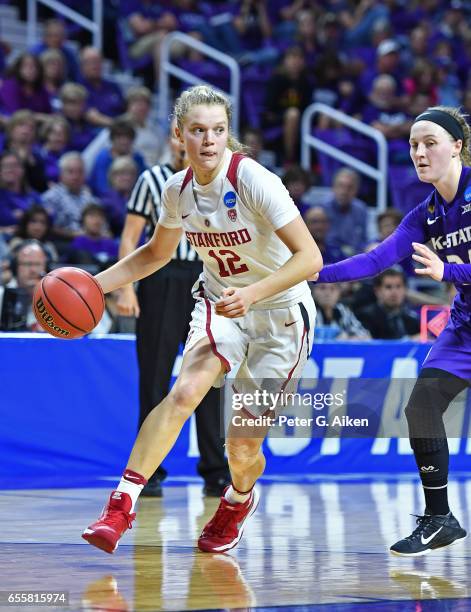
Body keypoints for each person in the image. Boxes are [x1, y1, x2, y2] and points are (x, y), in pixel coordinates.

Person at [82, 84, 321, 554]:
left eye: (218, 130)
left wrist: (252, 293)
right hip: (219, 302)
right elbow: (154, 253)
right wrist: (95, 286)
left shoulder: (254, 179)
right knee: (185, 391)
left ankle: (237, 499)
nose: (209, 140)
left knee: (241, 447)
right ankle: (120, 504)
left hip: (280, 313)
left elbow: (310, 257)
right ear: (179, 135)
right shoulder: (176, 190)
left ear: (228, 134)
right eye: (198, 131)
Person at [315, 105, 470, 556]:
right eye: (413, 146)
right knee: (421, 407)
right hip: (464, 329)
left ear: (457, 147)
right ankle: (440, 518)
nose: (419, 153)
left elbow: (449, 272)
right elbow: (373, 261)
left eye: (430, 144)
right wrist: (312, 273)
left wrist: (448, 272)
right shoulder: (425, 213)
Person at [117, 120, 231, 498]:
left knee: (211, 377)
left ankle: (216, 469)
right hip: (161, 280)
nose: (194, 142)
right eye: (188, 134)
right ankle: (147, 472)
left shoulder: (218, 181)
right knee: (154, 375)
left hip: (206, 281)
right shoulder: (152, 179)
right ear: (175, 139)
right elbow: (131, 238)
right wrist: (127, 290)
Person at [355, 268, 420, 339]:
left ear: (405, 290)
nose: (394, 292)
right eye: (388, 287)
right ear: (377, 291)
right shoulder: (365, 317)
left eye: (398, 286)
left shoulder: (412, 319)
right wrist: (408, 340)